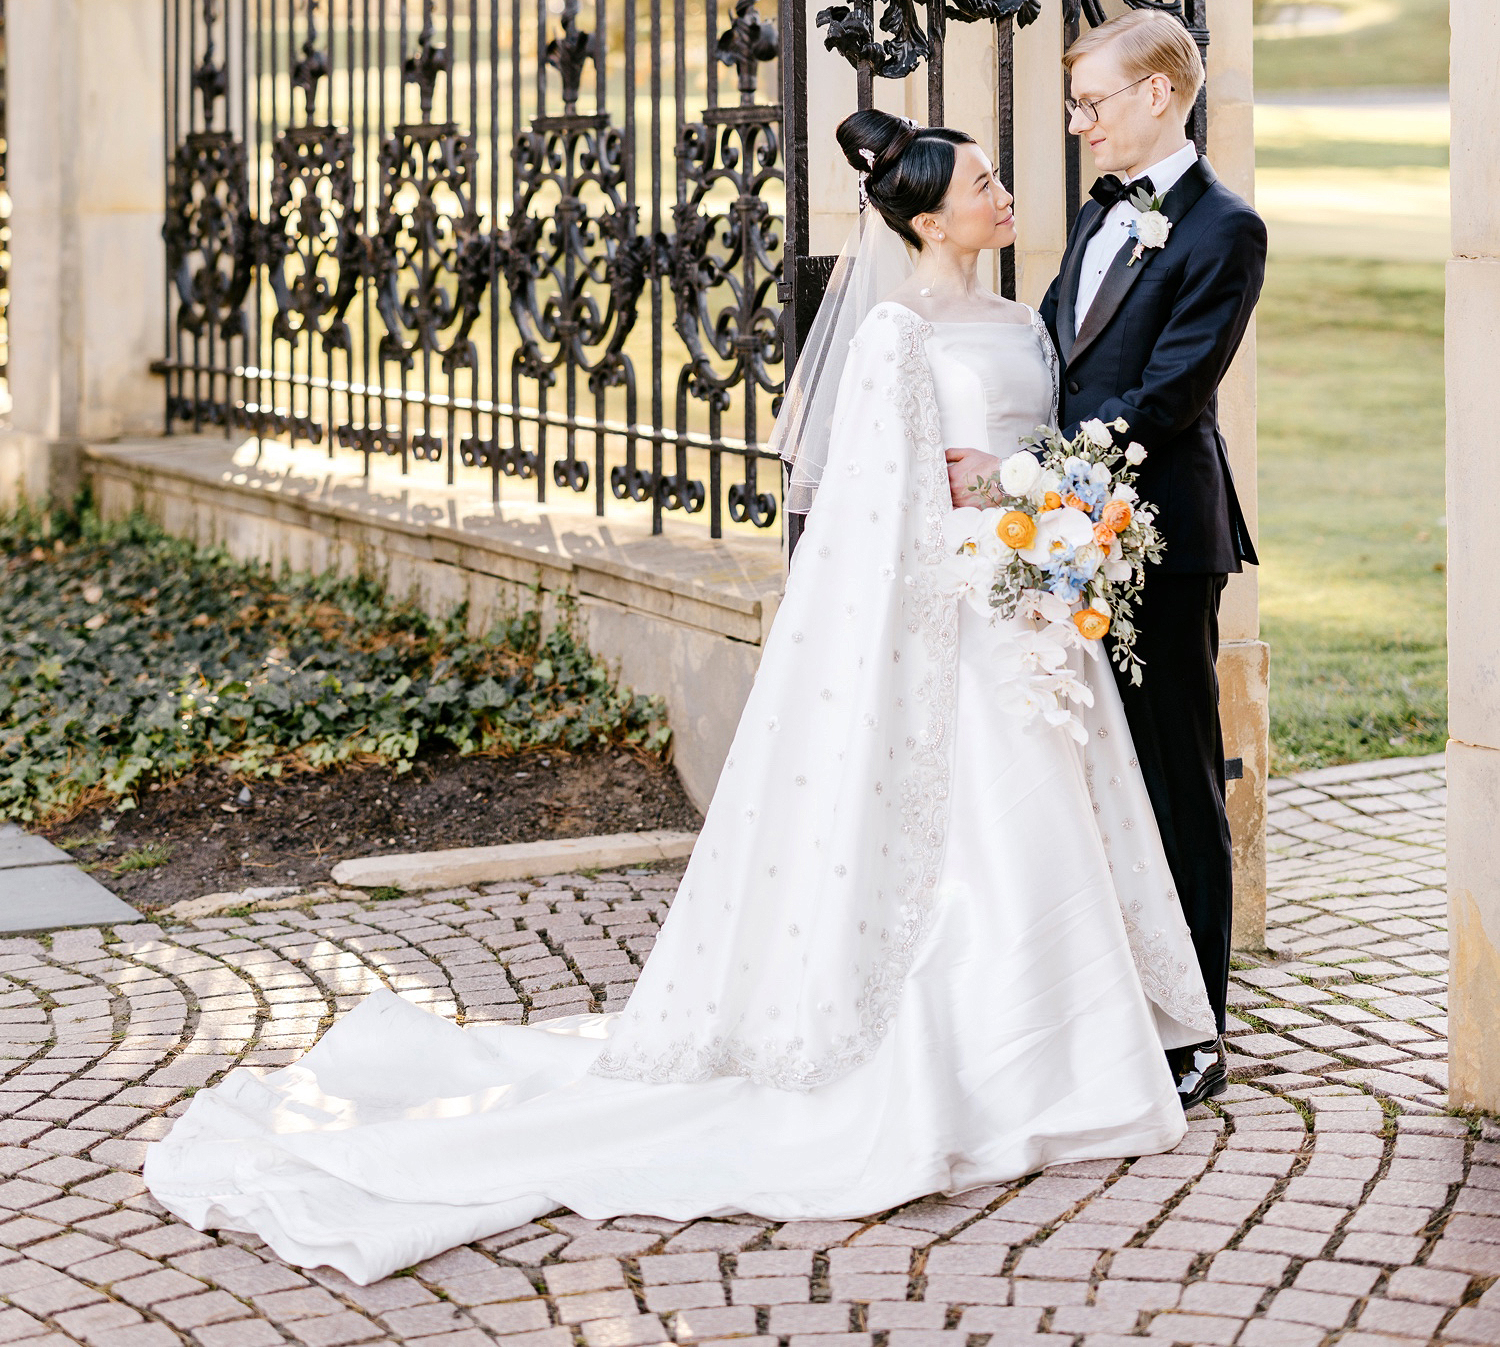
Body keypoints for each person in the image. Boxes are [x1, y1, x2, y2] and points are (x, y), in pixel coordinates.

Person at [144, 109, 1215, 1285]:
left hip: (1032, 609)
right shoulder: (894, 337)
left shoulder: (1024, 319)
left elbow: (1047, 439)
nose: (1005, 193)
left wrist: (1047, 504)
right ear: (924, 217)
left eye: (997, 175)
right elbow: (873, 515)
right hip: (956, 619)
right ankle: (991, 1068)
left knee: (1052, 827)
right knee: (979, 847)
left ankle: (1071, 1058)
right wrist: (988, 519)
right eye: (983, 181)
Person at [945, 12, 1267, 1109]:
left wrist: (1034, 479)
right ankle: (1119, 994)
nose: (1079, 126)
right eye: (1076, 106)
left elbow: (1168, 397)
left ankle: (1197, 1031)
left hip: (1162, 541)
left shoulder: (1226, 230)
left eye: (1092, 103)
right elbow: (1054, 357)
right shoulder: (1100, 214)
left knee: (1177, 777)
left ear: (1161, 94)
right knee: (1096, 777)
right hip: (1062, 538)